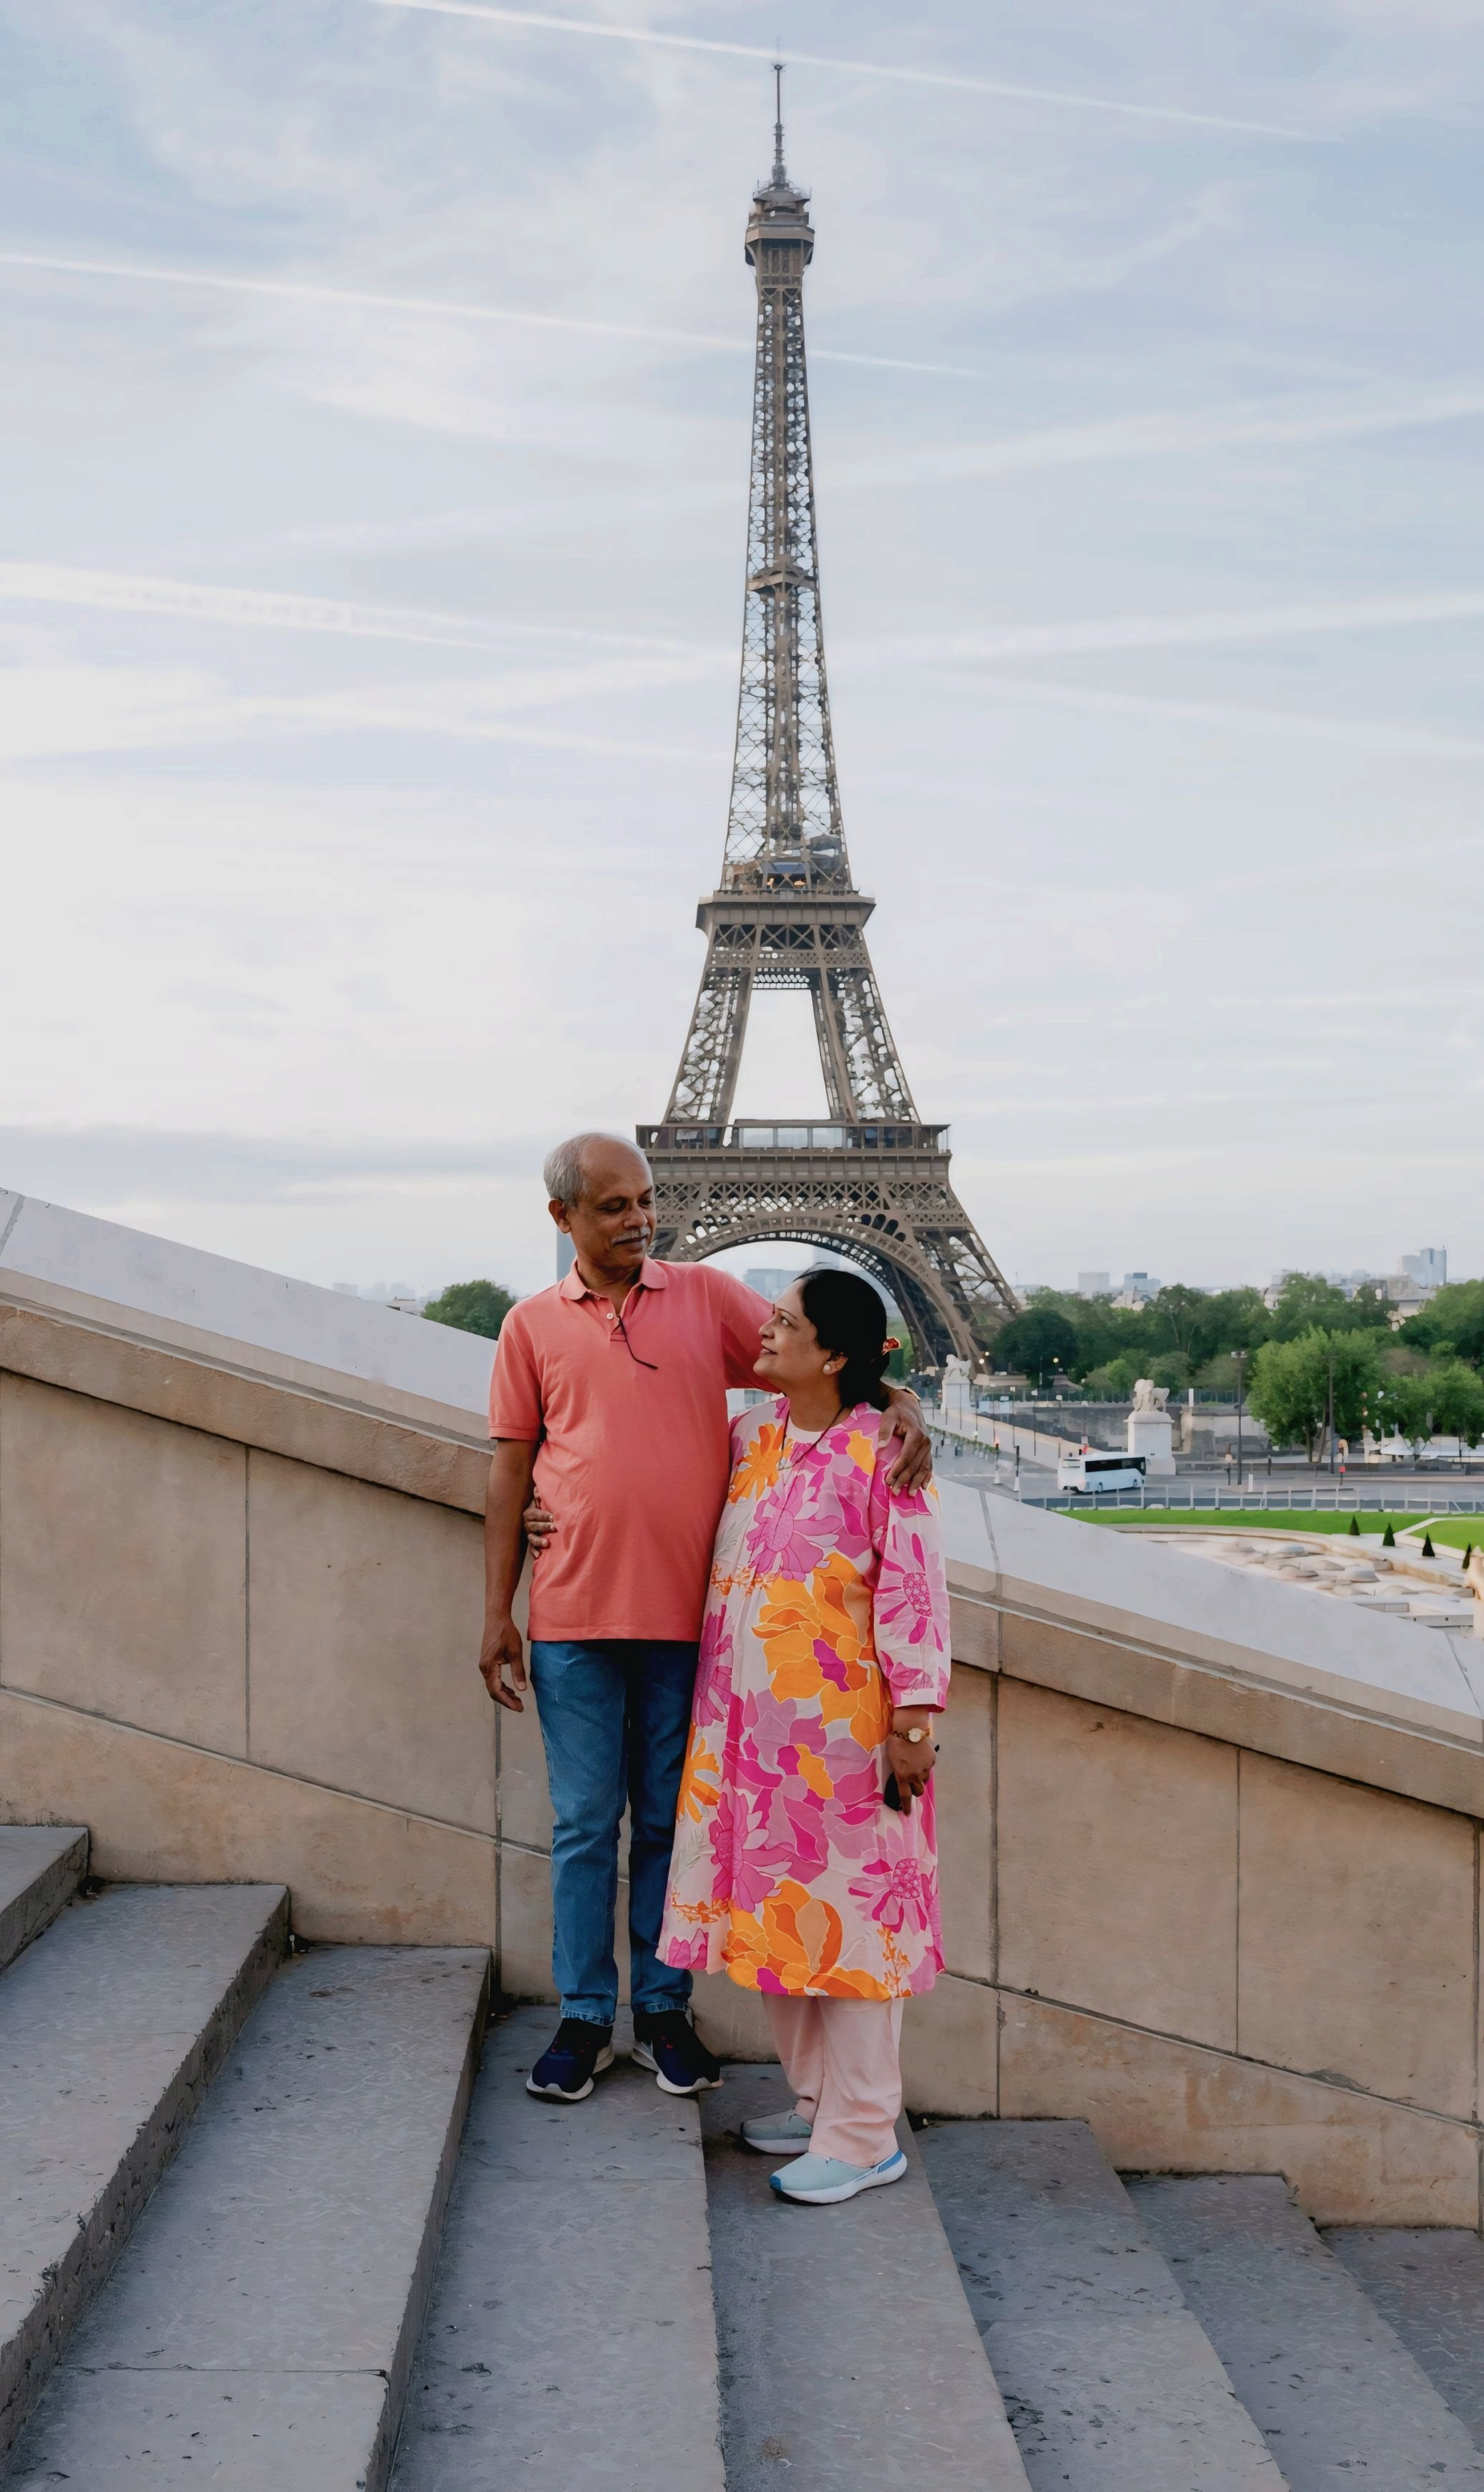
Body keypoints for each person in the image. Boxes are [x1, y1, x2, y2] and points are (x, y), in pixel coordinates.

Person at [479, 1134, 932, 2107]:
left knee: (666, 1833)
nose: (638, 1218)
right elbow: (509, 1467)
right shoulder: (529, 1327)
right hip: (571, 1615)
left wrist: (897, 1401)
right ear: (563, 1218)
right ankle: (584, 2014)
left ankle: (663, 2008)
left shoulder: (704, 1297)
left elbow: (818, 1369)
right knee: (582, 1826)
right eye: (611, 1206)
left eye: (644, 1200)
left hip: (691, 1625)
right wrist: (497, 1612)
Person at [658, 1265, 949, 2206]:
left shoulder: (883, 1454)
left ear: (831, 1353)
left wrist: (912, 1722)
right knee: (778, 1926)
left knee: (855, 1932)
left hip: (846, 1739)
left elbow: (914, 1592)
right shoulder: (751, 1436)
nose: (765, 1332)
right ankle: (820, 2099)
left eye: (784, 1323)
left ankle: (864, 2136)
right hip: (746, 1739)